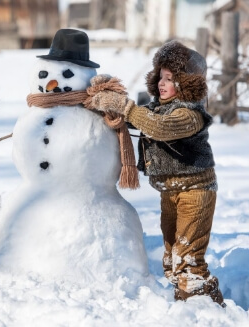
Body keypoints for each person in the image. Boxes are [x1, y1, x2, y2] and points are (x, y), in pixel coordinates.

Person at [85, 41, 224, 306]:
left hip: (195, 193)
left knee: (188, 260)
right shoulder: (157, 107)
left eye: (170, 78)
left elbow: (160, 127)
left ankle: (208, 311)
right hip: (169, 192)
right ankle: (185, 304)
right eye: (160, 76)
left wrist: (126, 107)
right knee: (172, 260)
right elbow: (138, 117)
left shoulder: (190, 114)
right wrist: (106, 95)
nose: (162, 82)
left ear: (185, 83)